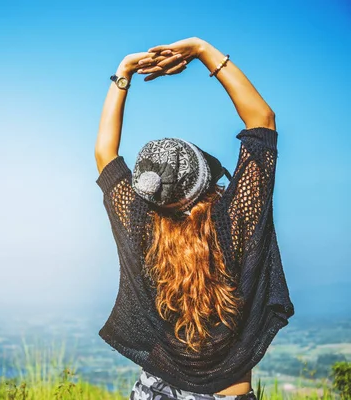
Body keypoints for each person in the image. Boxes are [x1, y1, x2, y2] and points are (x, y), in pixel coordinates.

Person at [94, 37, 294, 400]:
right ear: (206, 178)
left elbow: (105, 152)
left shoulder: (141, 226)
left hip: (153, 389)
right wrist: (203, 50)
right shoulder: (233, 222)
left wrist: (123, 72)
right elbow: (262, 119)